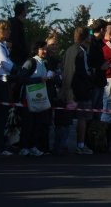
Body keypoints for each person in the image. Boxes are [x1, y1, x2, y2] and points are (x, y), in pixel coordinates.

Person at [16, 40, 56, 156]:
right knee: (27, 123)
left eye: (45, 49)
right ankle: (23, 147)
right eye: (42, 49)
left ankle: (33, 146)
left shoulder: (45, 62)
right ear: (36, 50)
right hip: (28, 98)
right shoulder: (31, 62)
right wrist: (39, 79)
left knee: (37, 123)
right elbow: (21, 78)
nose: (44, 51)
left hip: (40, 98)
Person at [62, 27, 95, 155]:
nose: (91, 37)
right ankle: (80, 145)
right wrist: (90, 78)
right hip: (81, 89)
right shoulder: (82, 51)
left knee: (66, 118)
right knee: (83, 117)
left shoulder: (69, 49)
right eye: (89, 35)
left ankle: (63, 144)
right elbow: (83, 71)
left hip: (67, 87)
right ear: (86, 37)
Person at [0, 19, 20, 155]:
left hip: (5, 81)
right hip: (1, 82)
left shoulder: (2, 46)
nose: (9, 32)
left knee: (3, 116)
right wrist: (18, 70)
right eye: (6, 29)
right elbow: (5, 63)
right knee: (0, 116)